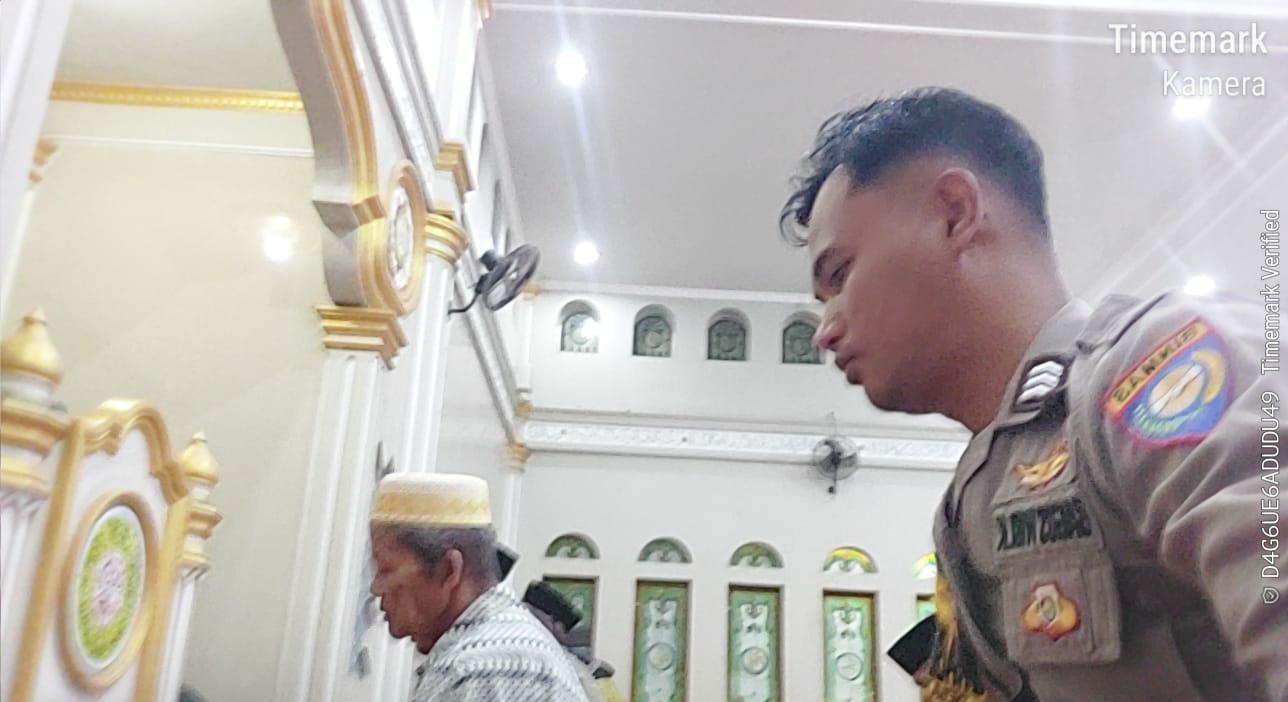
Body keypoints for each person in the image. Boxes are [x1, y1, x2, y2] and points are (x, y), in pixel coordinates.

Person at [780, 86, 1285, 701]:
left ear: (954, 213)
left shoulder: (1161, 365)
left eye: (840, 275)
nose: (825, 330)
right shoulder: (968, 502)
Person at [369, 473, 590, 701]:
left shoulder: (477, 671)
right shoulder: (497, 649)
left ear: (448, 570)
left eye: (385, 569)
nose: (376, 588)